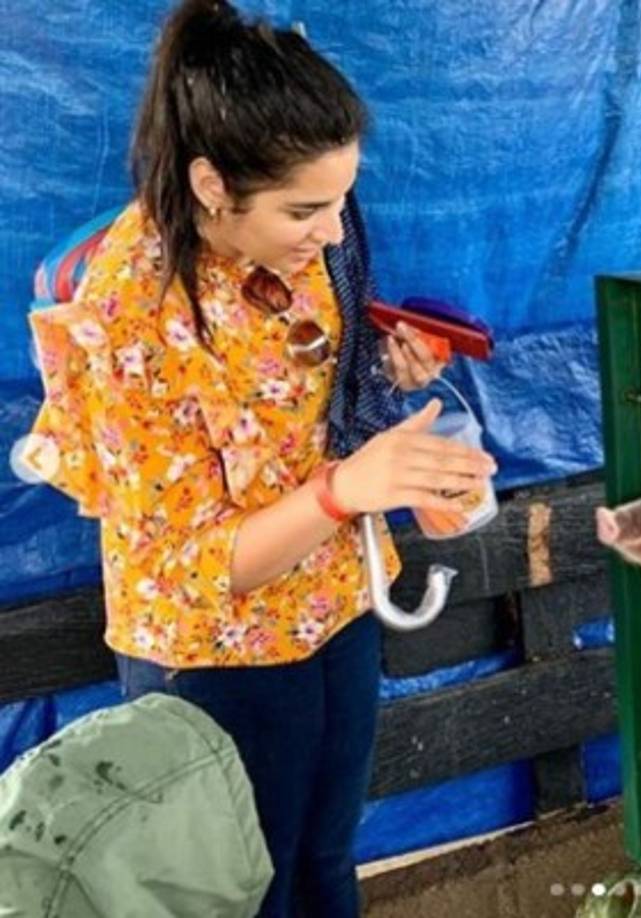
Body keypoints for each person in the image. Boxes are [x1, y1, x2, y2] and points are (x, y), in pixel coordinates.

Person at [20, 1, 497, 914]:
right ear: (210, 184)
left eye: (341, 200)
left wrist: (380, 367)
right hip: (216, 649)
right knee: (248, 889)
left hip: (333, 598)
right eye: (304, 209)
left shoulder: (312, 240)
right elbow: (186, 569)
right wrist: (347, 490)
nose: (332, 232)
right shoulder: (131, 317)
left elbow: (310, 374)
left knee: (325, 856)